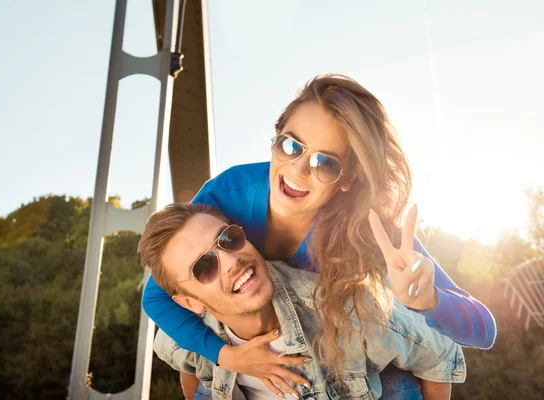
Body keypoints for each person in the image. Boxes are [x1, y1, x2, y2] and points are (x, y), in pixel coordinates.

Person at [142, 74, 496, 398]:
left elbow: (483, 330)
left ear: (347, 179)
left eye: (324, 163)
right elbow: (160, 297)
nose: (297, 170)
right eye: (291, 146)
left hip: (347, 362)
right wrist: (229, 357)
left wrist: (427, 299)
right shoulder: (228, 193)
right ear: (275, 139)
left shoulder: (364, 231)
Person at [138, 202, 466, 399]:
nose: (231, 260)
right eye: (203, 267)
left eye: (228, 239)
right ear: (190, 304)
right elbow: (186, 366)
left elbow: (441, 353)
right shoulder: (181, 338)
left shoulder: (351, 312)